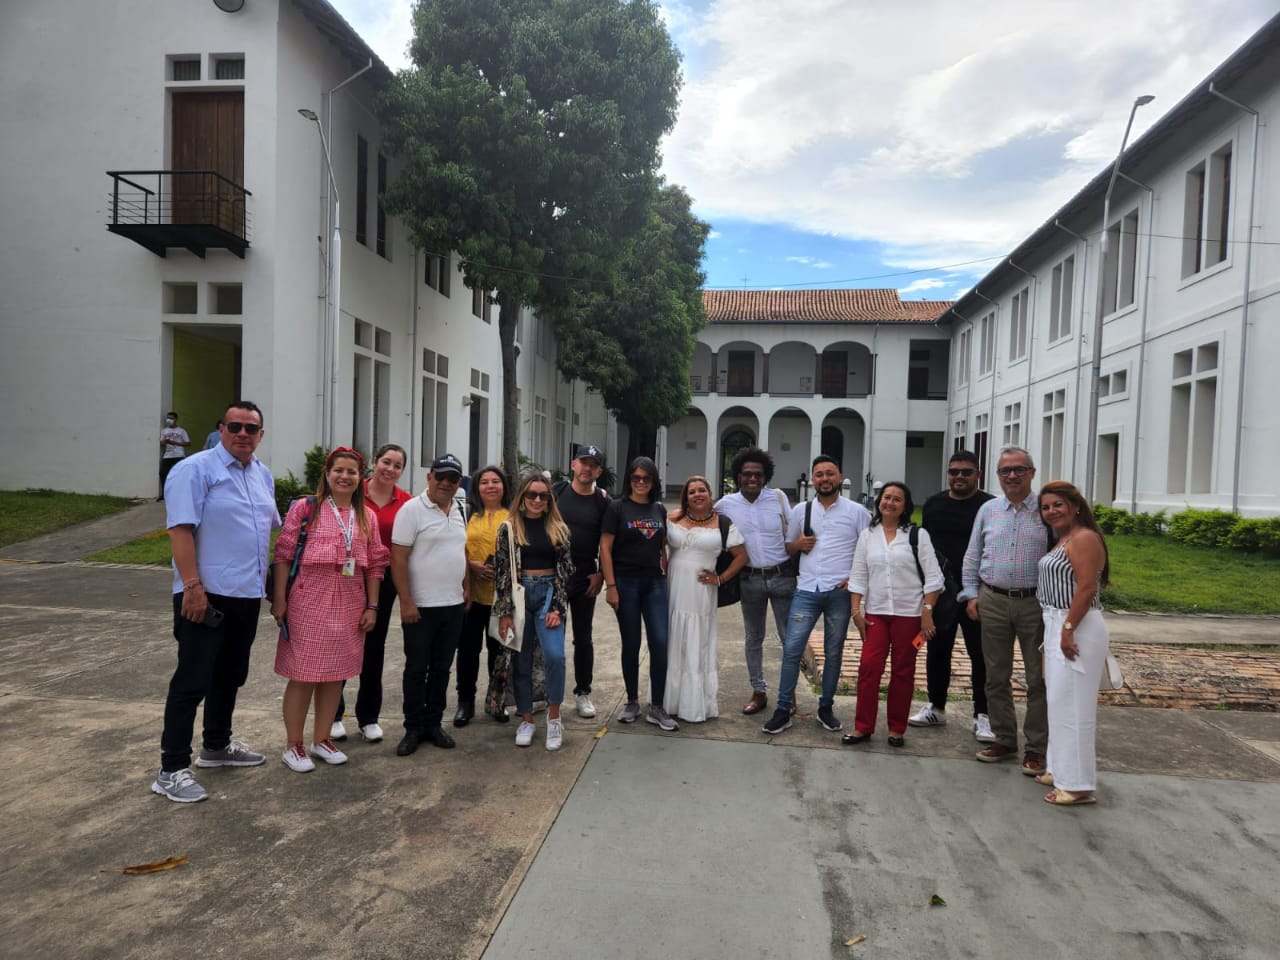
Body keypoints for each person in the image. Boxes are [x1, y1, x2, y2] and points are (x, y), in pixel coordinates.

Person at [150, 401, 279, 803]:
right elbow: (181, 530)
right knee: (192, 681)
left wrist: (270, 585)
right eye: (235, 426)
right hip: (206, 593)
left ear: (261, 435)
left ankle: (217, 746)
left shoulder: (262, 475)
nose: (243, 434)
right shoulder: (195, 469)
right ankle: (171, 768)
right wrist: (192, 586)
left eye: (251, 428)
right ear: (221, 429)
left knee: (230, 675)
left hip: (246, 593)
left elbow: (262, 534)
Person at [271, 448, 388, 772]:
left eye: (351, 472)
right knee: (304, 674)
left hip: (350, 600)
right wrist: (280, 600)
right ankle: (293, 744)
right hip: (309, 598)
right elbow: (283, 554)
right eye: (339, 470)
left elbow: (375, 565)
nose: (344, 476)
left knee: (336, 674)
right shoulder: (305, 509)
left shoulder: (366, 516)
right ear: (327, 472)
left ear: (359, 478)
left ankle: (321, 738)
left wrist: (372, 605)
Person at [762, 455, 870, 735]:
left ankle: (826, 707)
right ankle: (783, 709)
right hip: (807, 590)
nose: (824, 479)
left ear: (840, 477)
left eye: (830, 474)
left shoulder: (857, 512)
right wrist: (797, 544)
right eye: (819, 474)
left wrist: (854, 580)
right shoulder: (802, 511)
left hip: (839, 593)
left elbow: (867, 550)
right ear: (812, 479)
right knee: (791, 650)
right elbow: (787, 548)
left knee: (834, 652)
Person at [961, 446, 1050, 774]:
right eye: (1005, 470)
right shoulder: (988, 510)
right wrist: (971, 594)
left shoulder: (1046, 509)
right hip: (993, 601)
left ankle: (1037, 747)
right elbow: (973, 554)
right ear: (997, 475)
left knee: (1037, 678)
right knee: (995, 676)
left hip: (1035, 604)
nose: (1012, 475)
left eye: (1019, 469)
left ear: (1032, 472)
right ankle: (1004, 738)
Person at [844, 482, 942, 748]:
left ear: (905, 506)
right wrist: (856, 611)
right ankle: (863, 726)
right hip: (876, 615)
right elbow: (858, 575)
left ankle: (897, 728)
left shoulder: (917, 536)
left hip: (909, 616)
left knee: (903, 670)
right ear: (879, 502)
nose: (890, 502)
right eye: (886, 497)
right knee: (869, 668)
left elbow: (934, 579)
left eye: (897, 499)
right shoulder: (868, 535)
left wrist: (927, 612)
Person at [912, 450, 997, 741]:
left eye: (966, 472)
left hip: (979, 593)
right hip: (942, 593)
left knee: (980, 655)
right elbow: (926, 549)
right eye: (954, 472)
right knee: (937, 651)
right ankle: (936, 707)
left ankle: (982, 715)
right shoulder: (934, 504)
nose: (959, 477)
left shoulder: (990, 506)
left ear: (978, 474)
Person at [1037, 481, 1111, 806]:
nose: (1051, 511)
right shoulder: (1063, 538)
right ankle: (1059, 768)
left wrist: (1067, 629)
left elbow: (1086, 588)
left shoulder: (1084, 538)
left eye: (1057, 505)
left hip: (1077, 625)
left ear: (1075, 505)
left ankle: (1079, 785)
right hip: (1057, 623)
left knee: (1074, 706)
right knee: (1058, 701)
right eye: (1046, 507)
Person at [390, 453, 469, 757]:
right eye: (441, 477)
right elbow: (398, 559)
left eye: (452, 479)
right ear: (429, 477)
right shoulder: (412, 510)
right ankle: (413, 727)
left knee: (441, 669)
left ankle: (433, 723)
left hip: (452, 605)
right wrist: (406, 602)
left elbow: (460, 551)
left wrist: (466, 588)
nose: (446, 483)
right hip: (420, 606)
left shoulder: (460, 508)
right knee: (415, 669)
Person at [332, 443, 411, 743]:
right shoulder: (352, 491)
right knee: (341, 640)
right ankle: (333, 714)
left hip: (385, 577)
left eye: (397, 465)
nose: (390, 469)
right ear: (375, 463)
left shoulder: (405, 501)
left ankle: (368, 717)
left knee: (373, 645)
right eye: (386, 462)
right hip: (348, 574)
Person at [714, 447, 796, 715]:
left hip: (782, 576)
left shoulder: (778, 498)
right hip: (749, 580)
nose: (752, 478)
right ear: (738, 476)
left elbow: (793, 534)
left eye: (757, 474)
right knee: (753, 638)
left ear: (765, 476)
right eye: (746, 474)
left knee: (789, 639)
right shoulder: (725, 505)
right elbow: (702, 520)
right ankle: (759, 691)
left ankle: (788, 694)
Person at [494, 473, 574, 749]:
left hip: (549, 591)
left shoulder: (559, 528)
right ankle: (526, 718)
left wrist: (557, 607)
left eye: (543, 495)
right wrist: (505, 612)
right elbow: (502, 572)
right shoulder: (508, 529)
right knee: (521, 659)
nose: (537, 500)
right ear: (522, 498)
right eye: (532, 495)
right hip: (519, 595)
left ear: (550, 499)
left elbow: (566, 571)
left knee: (555, 656)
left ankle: (554, 717)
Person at [600, 456, 676, 730]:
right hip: (626, 583)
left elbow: (662, 545)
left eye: (646, 478)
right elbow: (605, 548)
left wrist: (665, 562)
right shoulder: (617, 508)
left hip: (654, 583)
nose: (641, 482)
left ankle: (657, 706)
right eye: (636, 478)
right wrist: (611, 586)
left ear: (654, 481)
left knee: (660, 641)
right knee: (631, 643)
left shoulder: (659, 509)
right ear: (629, 480)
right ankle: (632, 700)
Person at [664, 475, 747, 722]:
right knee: (673, 643)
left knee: (696, 643)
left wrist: (721, 578)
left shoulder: (723, 523)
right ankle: (668, 702)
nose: (697, 494)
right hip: (674, 590)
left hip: (701, 594)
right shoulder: (673, 518)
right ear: (685, 497)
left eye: (702, 490)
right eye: (692, 492)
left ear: (710, 495)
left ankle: (694, 705)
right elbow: (658, 545)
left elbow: (741, 556)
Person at [555, 444, 610, 719]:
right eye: (583, 462)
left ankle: (583, 692)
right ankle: (543, 692)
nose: (587, 468)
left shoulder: (602, 501)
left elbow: (608, 542)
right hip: (553, 577)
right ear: (573, 464)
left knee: (583, 638)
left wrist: (601, 573)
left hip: (585, 577)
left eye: (593, 464)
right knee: (548, 639)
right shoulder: (557, 493)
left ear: (598, 471)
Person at [454, 465, 512, 726]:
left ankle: (496, 701)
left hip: (502, 599)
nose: (490, 486)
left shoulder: (514, 515)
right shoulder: (466, 514)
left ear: (504, 486)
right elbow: (454, 547)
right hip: (470, 596)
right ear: (476, 487)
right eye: (484, 482)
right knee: (467, 651)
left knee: (498, 653)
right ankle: (465, 702)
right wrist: (471, 565)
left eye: (495, 481)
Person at [158, 411, 191, 500]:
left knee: (181, 474)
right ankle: (164, 494)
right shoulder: (164, 431)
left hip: (179, 455)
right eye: (168, 418)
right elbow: (161, 442)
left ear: (176, 419)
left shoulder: (181, 431)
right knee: (162, 473)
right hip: (167, 455)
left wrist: (175, 442)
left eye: (171, 418)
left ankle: (181, 493)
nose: (169, 420)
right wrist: (165, 442)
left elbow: (188, 443)